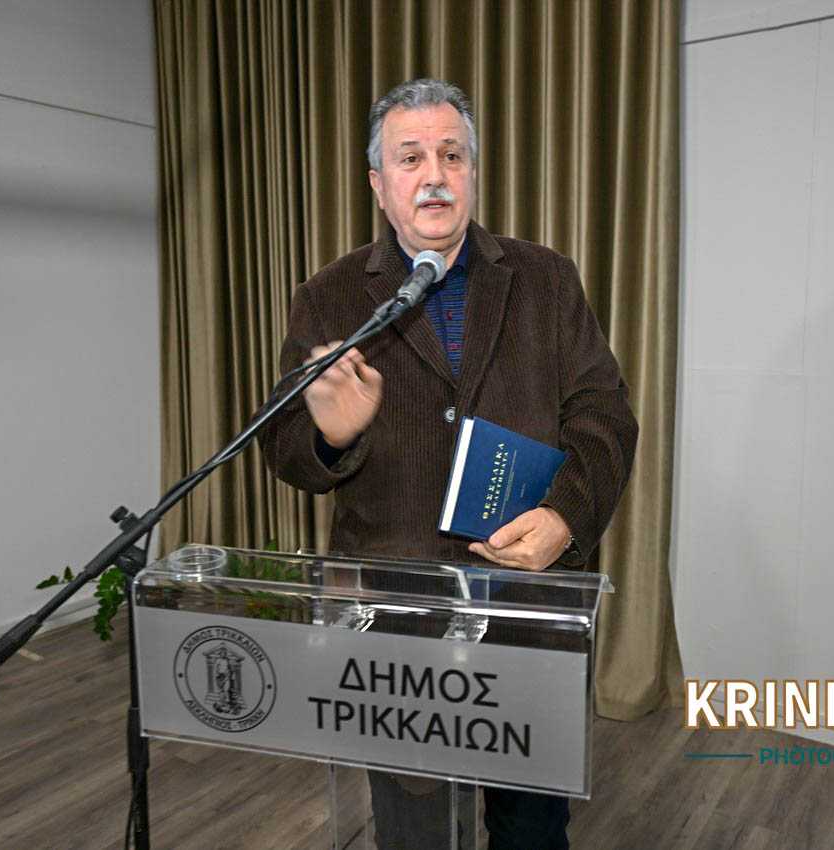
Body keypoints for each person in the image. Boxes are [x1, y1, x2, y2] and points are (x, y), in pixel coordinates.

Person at [260, 78, 638, 850]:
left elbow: (604, 416)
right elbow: (285, 447)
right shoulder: (329, 296)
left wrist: (564, 515)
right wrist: (328, 434)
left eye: (451, 155)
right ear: (378, 183)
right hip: (397, 625)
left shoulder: (545, 278)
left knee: (532, 831)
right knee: (415, 833)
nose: (433, 175)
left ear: (472, 171)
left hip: (525, 607)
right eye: (410, 158)